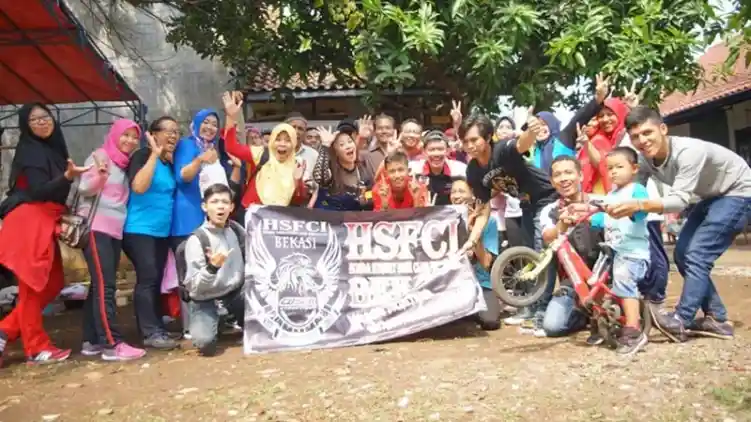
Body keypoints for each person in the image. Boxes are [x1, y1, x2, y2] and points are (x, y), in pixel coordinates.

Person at [612, 106, 751, 342]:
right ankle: (717, 318)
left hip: (738, 192)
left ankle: (681, 319)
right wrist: (598, 205)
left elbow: (678, 201)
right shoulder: (645, 160)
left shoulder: (688, 152)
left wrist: (639, 205)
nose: (642, 141)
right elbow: (630, 190)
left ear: (663, 129)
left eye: (647, 133)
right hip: (711, 196)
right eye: (635, 136)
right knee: (682, 253)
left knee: (697, 254)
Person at [538, 155, 668, 342]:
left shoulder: (602, 201)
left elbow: (628, 223)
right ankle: (584, 314)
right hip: (573, 283)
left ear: (580, 176)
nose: (564, 178)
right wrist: (562, 224)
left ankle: (619, 316)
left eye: (568, 172)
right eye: (558, 175)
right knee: (552, 326)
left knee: (623, 297)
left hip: (607, 275)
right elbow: (548, 236)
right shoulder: (549, 210)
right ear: (552, 181)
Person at [0, 104, 90, 365]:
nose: (42, 122)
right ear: (25, 125)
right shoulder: (30, 152)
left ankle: (5, 330)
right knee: (33, 286)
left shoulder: (54, 149)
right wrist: (67, 177)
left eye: (45, 116)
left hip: (44, 219)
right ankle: (36, 348)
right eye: (34, 119)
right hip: (28, 220)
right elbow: (38, 191)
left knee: (53, 282)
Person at [461, 114, 557, 334]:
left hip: (546, 198)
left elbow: (522, 143)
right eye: (465, 141)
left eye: (474, 140)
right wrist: (472, 240)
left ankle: (542, 311)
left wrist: (531, 130)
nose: (470, 146)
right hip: (526, 204)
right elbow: (483, 209)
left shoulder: (501, 150)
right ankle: (530, 306)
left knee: (541, 254)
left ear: (487, 137)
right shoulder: (473, 170)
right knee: (528, 255)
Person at [78, 119, 147, 361]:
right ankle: (111, 344)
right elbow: (84, 188)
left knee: (98, 286)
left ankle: (91, 340)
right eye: (125, 135)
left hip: (113, 231)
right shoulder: (100, 156)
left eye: (134, 136)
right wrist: (100, 177)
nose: (130, 140)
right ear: (114, 135)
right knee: (106, 287)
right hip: (97, 228)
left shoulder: (123, 163)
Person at [122, 117, 180, 350]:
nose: (173, 135)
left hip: (161, 232)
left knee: (155, 279)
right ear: (153, 134)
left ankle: (156, 328)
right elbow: (138, 187)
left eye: (176, 131)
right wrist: (154, 155)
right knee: (147, 278)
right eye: (168, 131)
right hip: (139, 229)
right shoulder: (142, 156)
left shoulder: (168, 163)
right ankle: (149, 332)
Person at [587, 147, 651, 355]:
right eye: (610, 168)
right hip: (614, 250)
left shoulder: (636, 190)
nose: (613, 171)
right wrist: (584, 217)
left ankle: (633, 329)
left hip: (633, 251)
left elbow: (641, 213)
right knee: (596, 283)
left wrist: (629, 210)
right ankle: (600, 323)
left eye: (619, 167)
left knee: (624, 280)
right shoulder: (611, 194)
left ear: (634, 168)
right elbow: (602, 218)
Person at [183, 184, 245, 357]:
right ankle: (217, 320)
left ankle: (232, 318)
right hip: (206, 299)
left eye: (225, 202)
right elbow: (195, 287)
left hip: (234, 294)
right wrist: (212, 268)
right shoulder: (197, 240)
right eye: (215, 202)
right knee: (205, 344)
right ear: (204, 206)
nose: (220, 207)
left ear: (231, 207)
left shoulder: (237, 231)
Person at [221, 92, 308, 209]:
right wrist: (231, 118)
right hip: (252, 213)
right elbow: (231, 148)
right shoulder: (260, 153)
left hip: (277, 216)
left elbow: (298, 200)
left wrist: (298, 181)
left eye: (288, 140)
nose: (282, 144)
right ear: (272, 140)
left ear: (293, 143)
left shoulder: (297, 164)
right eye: (278, 139)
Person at [449, 178, 501, 330]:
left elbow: (486, 263)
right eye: (453, 192)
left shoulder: (489, 222)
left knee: (490, 322)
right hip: (454, 285)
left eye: (461, 191)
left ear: (472, 195)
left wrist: (474, 234)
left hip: (481, 283)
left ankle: (471, 311)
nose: (457, 196)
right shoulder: (444, 221)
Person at [312, 130, 375, 211]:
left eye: (350, 142)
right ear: (336, 152)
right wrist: (325, 145)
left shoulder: (363, 171)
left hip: (352, 217)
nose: (348, 146)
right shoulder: (329, 170)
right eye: (342, 144)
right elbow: (319, 177)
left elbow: (370, 194)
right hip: (326, 216)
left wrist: (365, 201)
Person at [578, 98, 629, 194]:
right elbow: (600, 163)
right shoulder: (598, 139)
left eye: (610, 114)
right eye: (601, 116)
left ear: (619, 114)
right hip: (601, 194)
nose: (605, 119)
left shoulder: (628, 136)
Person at [408, 131, 467, 205]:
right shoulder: (413, 169)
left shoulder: (460, 170)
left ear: (447, 151)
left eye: (440, 149)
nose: (436, 154)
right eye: (432, 150)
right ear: (424, 152)